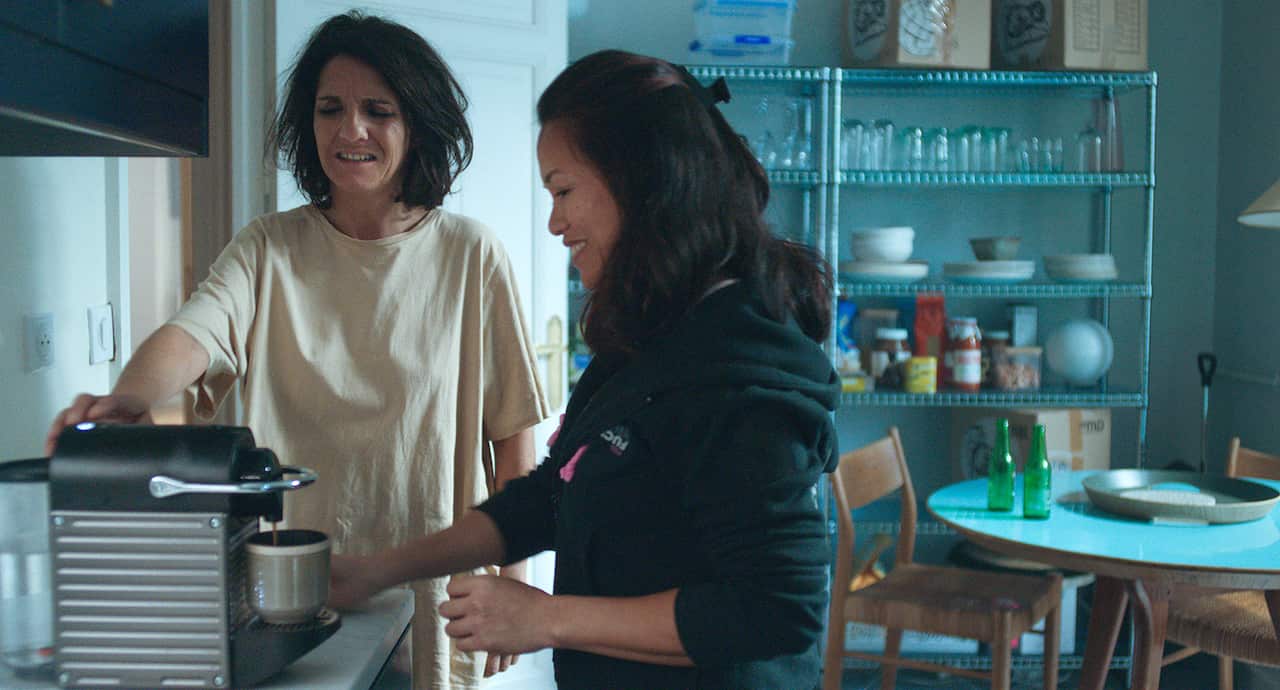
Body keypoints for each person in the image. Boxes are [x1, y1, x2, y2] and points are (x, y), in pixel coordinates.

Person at [44, 12, 550, 689]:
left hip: (432, 594)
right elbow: (191, 334)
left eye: (379, 110)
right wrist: (127, 398)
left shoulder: (471, 255)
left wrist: (511, 585)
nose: (351, 131)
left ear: (417, 124)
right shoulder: (267, 248)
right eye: (330, 109)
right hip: (292, 591)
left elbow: (515, 442)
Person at [328, 49, 840, 689]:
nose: (554, 221)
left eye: (564, 190)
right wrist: (380, 569)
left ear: (643, 182)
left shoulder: (736, 372)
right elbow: (552, 495)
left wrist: (549, 620)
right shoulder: (654, 333)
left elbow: (776, 610)